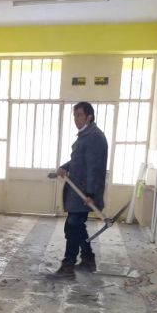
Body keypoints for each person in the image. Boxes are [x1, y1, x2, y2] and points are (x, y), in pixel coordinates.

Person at [55, 102, 108, 277]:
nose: (75, 119)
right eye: (74, 115)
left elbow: (94, 167)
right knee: (77, 227)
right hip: (78, 191)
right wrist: (65, 167)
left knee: (72, 226)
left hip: (84, 193)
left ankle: (68, 265)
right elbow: (78, 160)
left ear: (89, 117)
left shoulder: (94, 137)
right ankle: (88, 259)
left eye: (79, 115)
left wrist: (91, 193)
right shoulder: (86, 135)